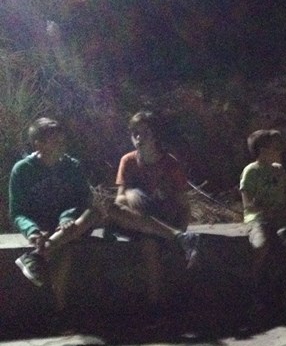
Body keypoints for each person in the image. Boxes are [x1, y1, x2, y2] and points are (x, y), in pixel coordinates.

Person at [8, 118, 99, 292]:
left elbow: (82, 200)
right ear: (38, 144)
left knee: (94, 212)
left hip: (67, 225)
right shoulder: (22, 170)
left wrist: (67, 217)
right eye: (56, 142)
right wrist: (32, 231)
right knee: (64, 247)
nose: (62, 146)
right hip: (42, 225)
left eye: (63, 141)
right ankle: (59, 305)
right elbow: (17, 212)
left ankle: (35, 256)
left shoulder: (72, 166)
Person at [114, 110, 199, 266]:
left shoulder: (170, 164)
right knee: (117, 206)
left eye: (145, 133)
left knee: (150, 244)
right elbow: (120, 200)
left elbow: (184, 206)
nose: (138, 137)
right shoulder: (128, 160)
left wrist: (181, 228)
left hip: (163, 216)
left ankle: (176, 236)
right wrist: (133, 198)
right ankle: (176, 236)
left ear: (155, 135)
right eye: (135, 133)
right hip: (138, 218)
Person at [240, 129, 286, 312]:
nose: (280, 151)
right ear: (263, 151)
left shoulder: (279, 170)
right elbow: (248, 205)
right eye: (276, 148)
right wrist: (267, 209)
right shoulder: (251, 171)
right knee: (261, 245)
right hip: (259, 218)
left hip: (280, 219)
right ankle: (253, 289)